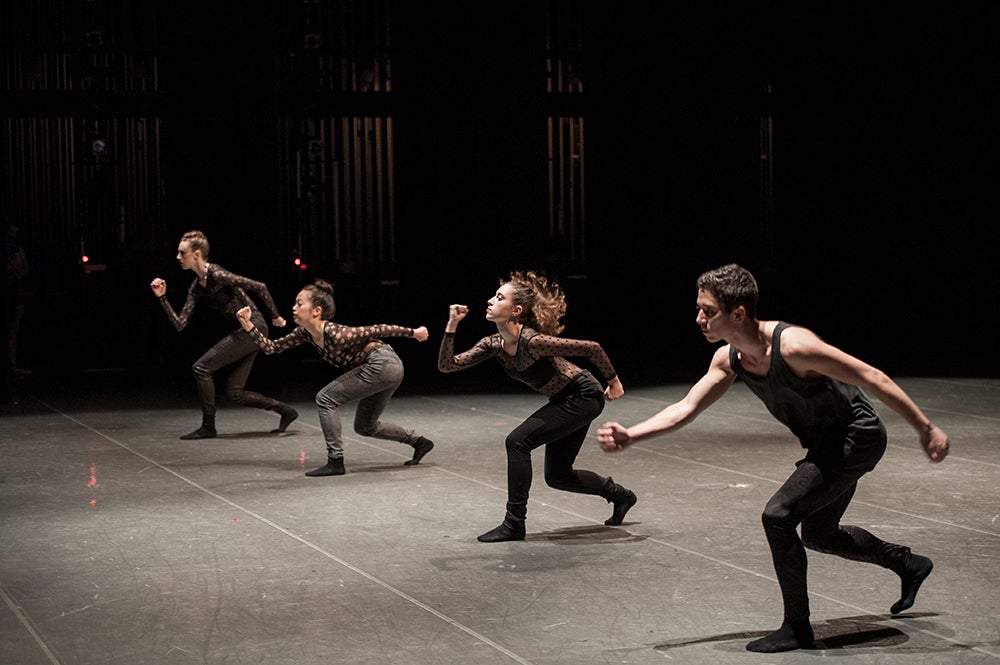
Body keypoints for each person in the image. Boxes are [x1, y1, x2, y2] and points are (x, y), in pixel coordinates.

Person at [597, 263, 949, 653]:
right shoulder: (728, 359)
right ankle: (908, 564)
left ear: (739, 314)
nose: (699, 318)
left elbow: (872, 376)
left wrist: (926, 428)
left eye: (708, 310)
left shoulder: (795, 347)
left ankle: (797, 627)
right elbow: (687, 407)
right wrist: (633, 435)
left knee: (778, 516)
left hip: (856, 438)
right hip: (824, 445)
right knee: (818, 534)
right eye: (699, 309)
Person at [438, 270, 636, 543]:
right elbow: (447, 365)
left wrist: (614, 382)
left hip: (583, 396)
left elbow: (592, 348)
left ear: (516, 310)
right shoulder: (493, 344)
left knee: (517, 441)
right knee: (558, 476)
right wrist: (451, 325)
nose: (490, 301)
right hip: (565, 400)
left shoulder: (533, 342)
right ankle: (621, 495)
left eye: (499, 297)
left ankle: (514, 524)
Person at [236, 279, 434, 476]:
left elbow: (378, 329)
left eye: (299, 303)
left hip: (382, 363)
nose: (294, 307)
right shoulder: (305, 333)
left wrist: (413, 333)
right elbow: (272, 347)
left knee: (325, 398)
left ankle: (335, 461)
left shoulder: (338, 334)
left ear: (316, 311)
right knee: (365, 426)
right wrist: (248, 327)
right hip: (383, 369)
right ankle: (419, 442)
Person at [150, 230, 298, 439]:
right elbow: (180, 323)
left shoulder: (217, 274)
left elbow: (259, 286)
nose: (178, 258)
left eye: (182, 253)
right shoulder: (196, 287)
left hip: (253, 325)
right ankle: (286, 411)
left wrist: (275, 316)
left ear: (197, 254)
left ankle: (208, 426)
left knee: (201, 368)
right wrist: (162, 298)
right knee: (235, 393)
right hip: (245, 330)